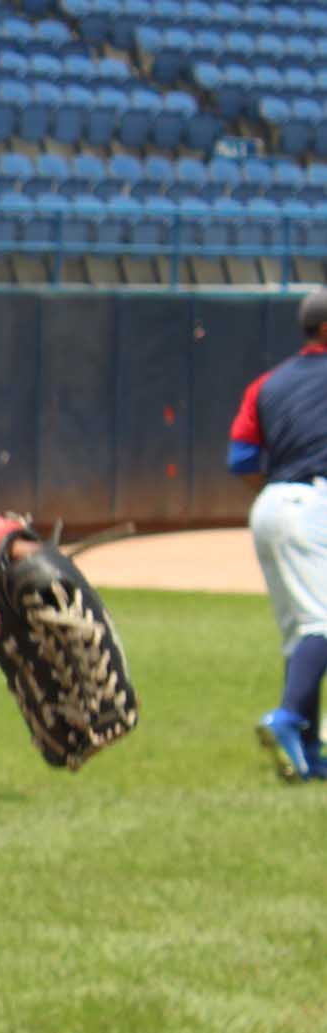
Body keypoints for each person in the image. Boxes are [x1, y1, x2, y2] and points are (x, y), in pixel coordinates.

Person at [228, 286, 327, 781]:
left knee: (301, 634)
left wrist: (272, 492)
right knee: (322, 624)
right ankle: (287, 718)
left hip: (270, 503)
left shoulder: (268, 382)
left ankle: (308, 751)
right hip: (313, 503)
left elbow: (242, 457)